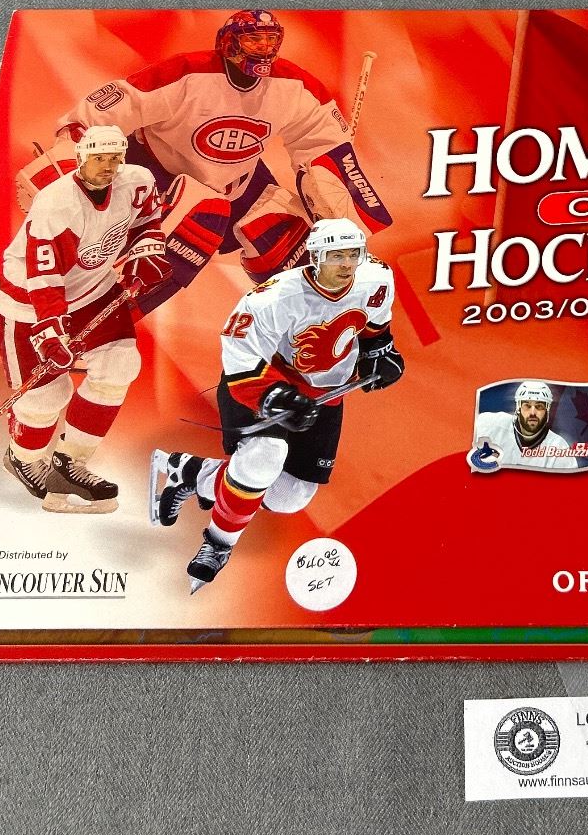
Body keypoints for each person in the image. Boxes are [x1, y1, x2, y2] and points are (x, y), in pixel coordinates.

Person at [17, 10, 391, 313]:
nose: (263, 49)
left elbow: (324, 142)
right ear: (229, 43)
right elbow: (105, 111)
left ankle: (308, 326)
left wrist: (338, 206)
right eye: (253, 39)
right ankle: (93, 318)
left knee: (290, 241)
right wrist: (77, 161)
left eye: (270, 40)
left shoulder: (294, 86)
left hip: (240, 183)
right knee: (198, 222)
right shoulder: (186, 74)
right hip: (160, 173)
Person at [148, 218, 404, 588]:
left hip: (325, 393)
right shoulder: (274, 298)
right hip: (261, 383)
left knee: (289, 496)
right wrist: (274, 397)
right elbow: (239, 356)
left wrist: (380, 353)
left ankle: (191, 473)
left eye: (353, 254)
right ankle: (218, 544)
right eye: (336, 256)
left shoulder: (376, 277)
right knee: (264, 456)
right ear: (315, 257)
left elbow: (375, 326)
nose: (347, 264)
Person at [0, 124, 169, 510]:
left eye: (114, 158)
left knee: (120, 365)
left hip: (93, 289)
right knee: (45, 397)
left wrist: (147, 252)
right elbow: (45, 277)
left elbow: (147, 221)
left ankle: (69, 462)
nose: (107, 166)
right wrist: (50, 332)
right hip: (28, 302)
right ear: (81, 158)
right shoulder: (55, 205)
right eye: (98, 158)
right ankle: (22, 459)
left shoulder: (137, 182)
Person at [470, 381, 581, 473]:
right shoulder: (489, 424)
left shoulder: (559, 447)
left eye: (539, 406)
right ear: (518, 408)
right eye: (527, 406)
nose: (533, 413)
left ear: (547, 410)